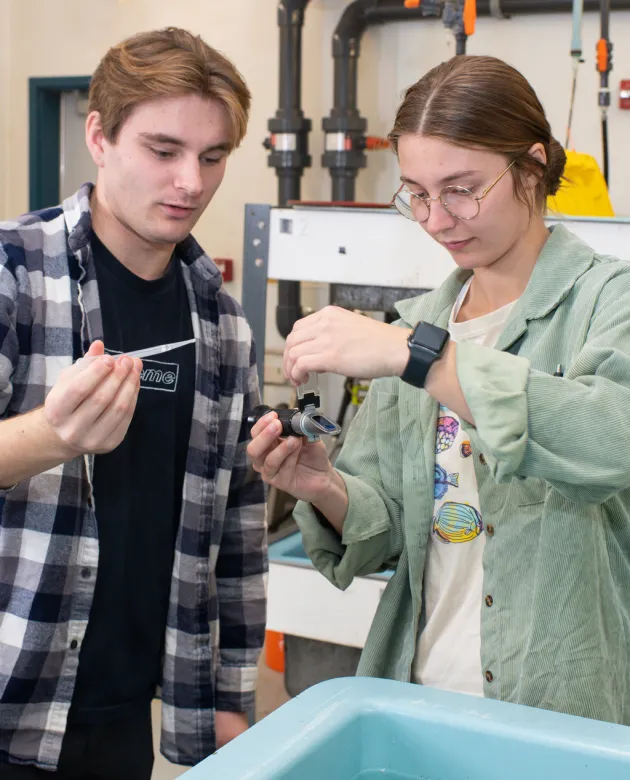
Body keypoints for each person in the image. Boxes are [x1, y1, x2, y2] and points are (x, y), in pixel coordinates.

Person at [249, 55, 630, 725]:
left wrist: (418, 356)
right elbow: (393, 529)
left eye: (461, 188)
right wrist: (323, 488)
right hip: (421, 696)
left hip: (564, 707)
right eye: (417, 193)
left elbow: (608, 441)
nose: (437, 217)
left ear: (533, 166)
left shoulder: (608, 301)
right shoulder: (418, 325)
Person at [0, 28, 267, 778]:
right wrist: (50, 435)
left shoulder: (221, 324)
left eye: (213, 157)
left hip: (122, 722)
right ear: (100, 137)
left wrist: (228, 694)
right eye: (164, 150)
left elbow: (238, 530)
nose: (191, 181)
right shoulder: (14, 274)